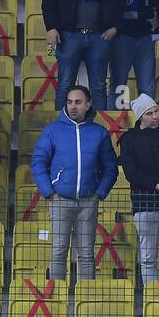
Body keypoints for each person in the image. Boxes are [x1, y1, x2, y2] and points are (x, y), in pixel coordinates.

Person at [30, 85, 119, 281]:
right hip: (60, 199)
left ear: (88, 105)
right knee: (59, 251)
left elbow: (111, 168)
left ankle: (86, 298)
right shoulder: (52, 131)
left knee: (87, 253)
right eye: (69, 102)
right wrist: (49, 193)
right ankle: (56, 298)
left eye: (78, 102)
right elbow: (38, 162)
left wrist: (99, 194)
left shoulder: (100, 133)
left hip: (89, 201)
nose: (73, 106)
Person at [117, 93, 159, 282]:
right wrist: (156, 183)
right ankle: (151, 297)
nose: (155, 116)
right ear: (140, 117)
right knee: (147, 258)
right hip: (144, 205)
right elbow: (132, 173)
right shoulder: (129, 140)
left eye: (155, 112)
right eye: (149, 113)